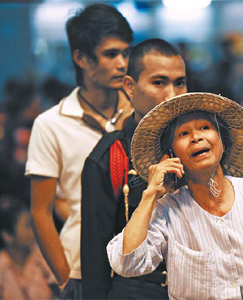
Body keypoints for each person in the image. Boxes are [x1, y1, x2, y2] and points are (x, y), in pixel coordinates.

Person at [107, 93, 243, 299]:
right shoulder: (168, 211)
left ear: (223, 143)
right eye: (183, 134)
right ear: (172, 155)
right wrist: (151, 195)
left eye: (205, 128)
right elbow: (126, 263)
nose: (196, 137)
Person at [25, 3, 133, 299]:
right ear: (81, 58)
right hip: (81, 269)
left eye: (126, 53)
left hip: (141, 264)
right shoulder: (51, 124)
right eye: (111, 54)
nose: (122, 63)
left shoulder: (141, 113)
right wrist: (64, 278)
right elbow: (40, 212)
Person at [80, 38, 187, 299]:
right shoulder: (110, 156)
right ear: (130, 86)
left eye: (180, 82)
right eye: (159, 82)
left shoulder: (197, 146)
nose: (172, 94)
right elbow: (95, 261)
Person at [0, 196, 57, 299]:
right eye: (28, 226)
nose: (34, 231)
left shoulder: (43, 258)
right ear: (8, 236)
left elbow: (62, 289)